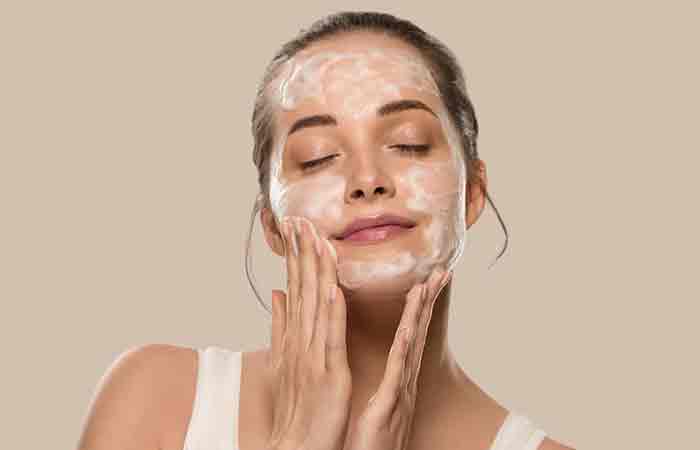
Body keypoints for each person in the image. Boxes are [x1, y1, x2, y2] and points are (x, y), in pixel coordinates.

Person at [77, 11, 575, 450]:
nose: (367, 181)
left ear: (474, 193)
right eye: (316, 157)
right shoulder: (157, 401)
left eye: (408, 143)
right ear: (271, 224)